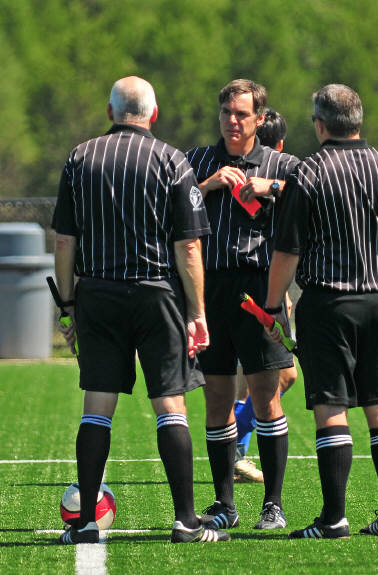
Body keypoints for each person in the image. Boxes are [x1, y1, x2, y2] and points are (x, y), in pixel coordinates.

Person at [52, 76, 230, 544]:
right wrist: (198, 312)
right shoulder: (172, 160)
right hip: (157, 295)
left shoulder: (80, 158)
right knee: (170, 405)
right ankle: (186, 521)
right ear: (154, 114)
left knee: (97, 408)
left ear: (110, 112)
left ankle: (85, 523)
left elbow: (65, 241)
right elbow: (188, 247)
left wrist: (68, 307)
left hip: (98, 295)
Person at [265, 84, 378, 539]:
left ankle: (334, 518)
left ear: (319, 124)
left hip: (329, 305)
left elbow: (288, 251)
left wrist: (273, 307)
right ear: (358, 120)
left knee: (331, 408)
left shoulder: (309, 173)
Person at [186, 79, 299, 530]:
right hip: (209, 289)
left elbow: (311, 201)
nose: (232, 121)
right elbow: (168, 208)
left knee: (267, 397)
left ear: (259, 119)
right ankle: (224, 505)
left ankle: (273, 505)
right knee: (217, 398)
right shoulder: (197, 160)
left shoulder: (281, 164)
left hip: (260, 290)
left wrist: (271, 187)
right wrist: (207, 185)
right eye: (226, 113)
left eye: (242, 114)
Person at [233, 108, 298, 483]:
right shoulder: (271, 183)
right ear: (281, 145)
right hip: (261, 290)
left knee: (251, 381)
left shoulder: (247, 177)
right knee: (283, 376)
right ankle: (234, 444)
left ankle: (235, 451)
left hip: (249, 288)